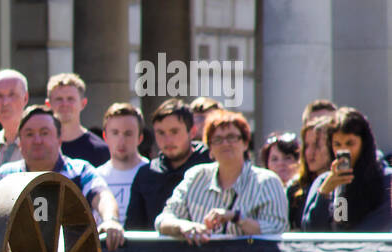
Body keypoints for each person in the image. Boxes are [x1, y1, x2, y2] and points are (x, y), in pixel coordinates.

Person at [0, 105, 125, 250]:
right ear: (20, 143)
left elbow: (101, 195)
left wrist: (111, 220)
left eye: (44, 133)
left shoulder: (80, 171)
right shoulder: (6, 175)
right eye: (29, 134)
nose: (37, 140)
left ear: (59, 139)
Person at [156, 109, 288, 243]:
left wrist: (236, 218)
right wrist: (184, 226)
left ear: (245, 143)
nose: (225, 143)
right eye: (217, 139)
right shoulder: (195, 176)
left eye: (231, 137)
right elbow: (163, 220)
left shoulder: (268, 182)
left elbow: (276, 231)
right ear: (210, 149)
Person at [125, 100, 214, 230]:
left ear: (192, 132)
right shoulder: (146, 174)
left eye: (174, 131)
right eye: (160, 133)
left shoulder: (212, 166)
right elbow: (134, 229)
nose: (167, 140)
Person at [301, 107, 392, 232]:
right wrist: (325, 193)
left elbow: (377, 227)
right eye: (337, 144)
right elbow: (312, 231)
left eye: (350, 144)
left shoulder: (386, 180)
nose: (343, 150)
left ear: (364, 144)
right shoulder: (325, 182)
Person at [46, 72, 110, 167]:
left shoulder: (100, 150)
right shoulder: (41, 147)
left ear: (83, 103)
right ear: (48, 105)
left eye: (70, 99)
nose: (65, 104)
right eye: (59, 99)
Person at [96, 103, 146, 224]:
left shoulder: (153, 173)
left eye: (128, 134)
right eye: (115, 133)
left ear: (140, 138)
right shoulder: (95, 178)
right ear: (105, 136)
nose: (121, 141)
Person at [287, 115, 333, 229]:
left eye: (317, 146)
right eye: (306, 145)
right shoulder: (295, 189)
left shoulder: (343, 186)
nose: (310, 152)